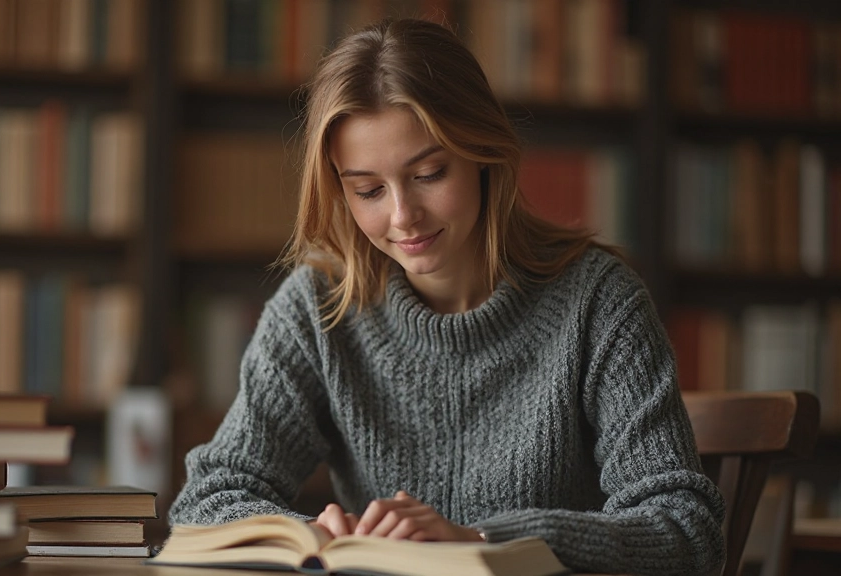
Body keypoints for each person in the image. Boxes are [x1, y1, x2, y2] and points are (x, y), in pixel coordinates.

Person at [168, 18, 725, 576]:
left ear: (482, 152)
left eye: (429, 174)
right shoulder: (318, 307)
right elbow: (207, 499)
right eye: (368, 190)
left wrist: (483, 540)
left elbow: (684, 528)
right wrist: (307, 535)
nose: (403, 216)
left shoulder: (599, 302)